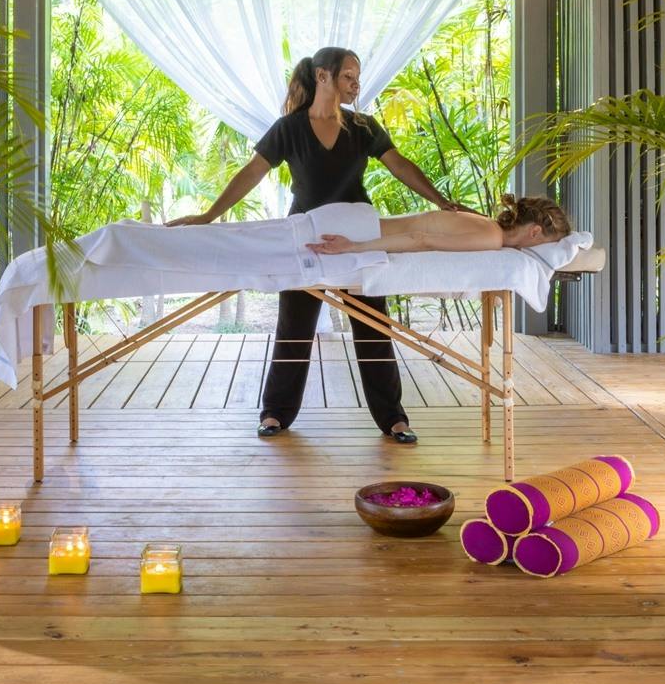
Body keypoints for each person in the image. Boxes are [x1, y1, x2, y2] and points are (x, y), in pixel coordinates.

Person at [167, 46, 474, 443]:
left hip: (358, 237)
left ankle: (393, 418)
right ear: (322, 77)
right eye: (348, 76)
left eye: (357, 77)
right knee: (294, 327)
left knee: (373, 326)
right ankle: (276, 413)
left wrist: (441, 202)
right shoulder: (289, 128)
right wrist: (209, 215)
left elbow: (399, 165)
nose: (356, 84)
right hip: (306, 238)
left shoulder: (363, 127)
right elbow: (252, 172)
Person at [307, 195, 570, 256]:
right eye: (546, 244)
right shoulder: (491, 238)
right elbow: (421, 239)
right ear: (535, 231)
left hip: (358, 223)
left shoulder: (488, 226)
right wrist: (354, 246)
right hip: (353, 232)